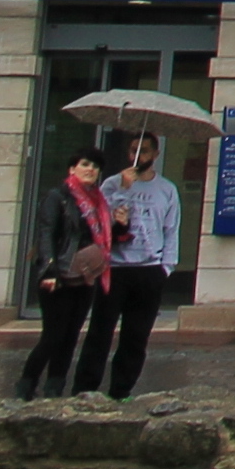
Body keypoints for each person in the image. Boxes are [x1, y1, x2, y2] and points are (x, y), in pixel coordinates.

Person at [88, 129, 182, 399]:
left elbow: (171, 229)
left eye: (144, 151)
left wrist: (166, 267)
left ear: (155, 154)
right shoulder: (111, 185)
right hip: (116, 267)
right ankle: (86, 387)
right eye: (133, 150)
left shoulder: (167, 189)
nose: (138, 156)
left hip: (148, 269)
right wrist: (124, 191)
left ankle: (121, 389)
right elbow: (102, 222)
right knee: (100, 332)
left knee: (136, 336)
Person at [20, 150, 114, 400]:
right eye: (85, 164)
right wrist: (49, 271)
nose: (90, 169)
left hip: (84, 277)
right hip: (59, 275)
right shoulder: (58, 196)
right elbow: (47, 233)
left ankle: (55, 387)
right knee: (53, 336)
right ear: (72, 169)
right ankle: (26, 385)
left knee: (71, 336)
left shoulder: (98, 202)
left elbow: (101, 237)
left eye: (95, 166)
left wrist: (121, 224)